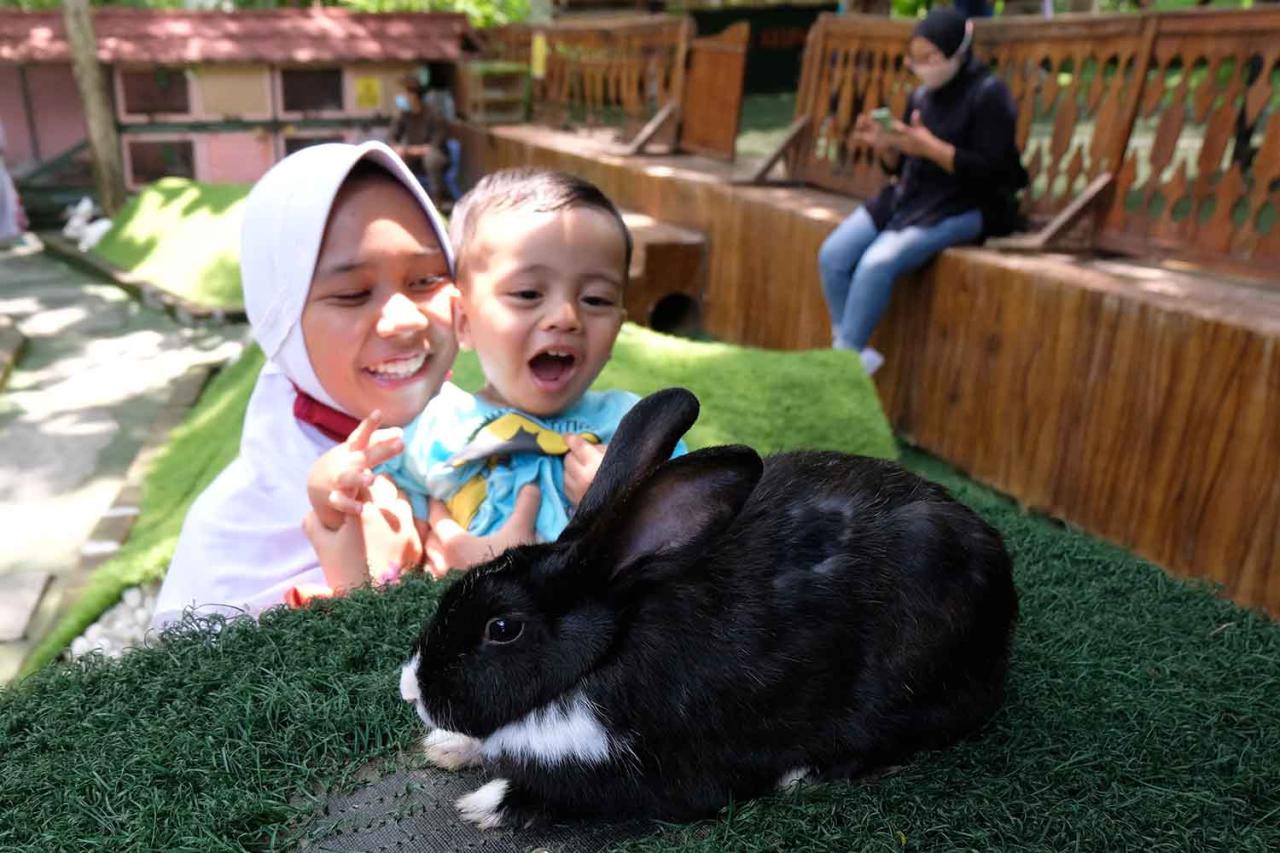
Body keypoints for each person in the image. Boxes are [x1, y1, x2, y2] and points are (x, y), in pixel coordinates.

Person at [150, 142, 535, 629]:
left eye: (427, 280)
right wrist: (376, 588)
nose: (403, 321)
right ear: (281, 317)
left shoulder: (502, 439)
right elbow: (211, 699)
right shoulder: (234, 537)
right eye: (353, 294)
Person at [308, 167, 684, 576]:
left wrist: (626, 501)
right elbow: (392, 553)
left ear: (617, 328)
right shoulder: (432, 433)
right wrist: (334, 490)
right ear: (464, 321)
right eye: (527, 294)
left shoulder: (635, 428)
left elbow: (695, 535)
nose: (566, 316)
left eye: (596, 299)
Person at [817, 8, 1026, 376]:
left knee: (875, 264)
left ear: (955, 50)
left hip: (966, 204)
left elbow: (996, 175)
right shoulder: (922, 96)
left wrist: (930, 148)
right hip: (911, 198)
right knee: (833, 255)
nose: (923, 65)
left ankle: (842, 366)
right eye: (916, 57)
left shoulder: (989, 94)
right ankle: (851, 353)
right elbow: (901, 167)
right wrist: (888, 147)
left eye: (930, 56)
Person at [388, 72, 453, 210]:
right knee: (396, 159)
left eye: (404, 93)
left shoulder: (434, 114)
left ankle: (437, 203)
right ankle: (401, 201)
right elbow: (392, 137)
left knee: (431, 159)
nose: (401, 97)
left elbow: (434, 145)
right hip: (414, 157)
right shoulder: (404, 114)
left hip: (436, 157)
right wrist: (396, 147)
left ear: (413, 95)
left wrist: (409, 150)